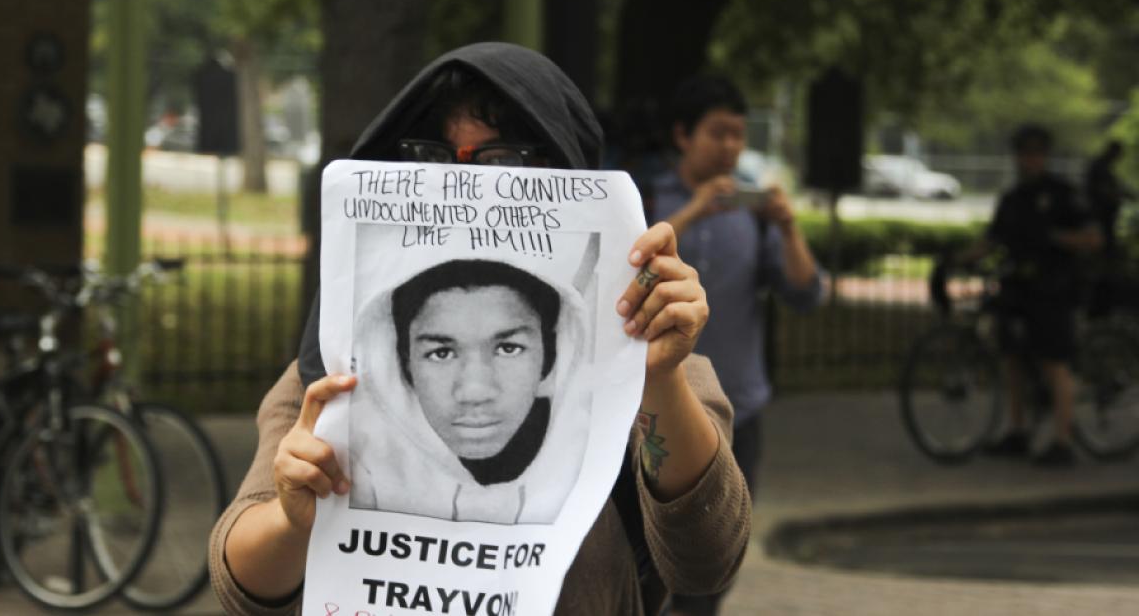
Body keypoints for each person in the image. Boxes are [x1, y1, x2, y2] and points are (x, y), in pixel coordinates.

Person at [208, 43, 751, 615]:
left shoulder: (657, 371)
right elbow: (242, 587)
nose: (462, 187)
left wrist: (656, 378)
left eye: (503, 161)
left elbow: (706, 560)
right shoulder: (329, 380)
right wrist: (291, 522)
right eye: (431, 157)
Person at [652, 75, 823, 615]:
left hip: (739, 407)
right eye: (717, 133)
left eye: (738, 135)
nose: (730, 147)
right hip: (656, 410)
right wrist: (694, 211)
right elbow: (624, 272)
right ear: (683, 135)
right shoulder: (649, 196)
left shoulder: (754, 211)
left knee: (713, 563)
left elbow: (805, 293)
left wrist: (790, 228)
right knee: (651, 560)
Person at [348, 258, 589, 524]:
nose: (475, 392)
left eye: (508, 349)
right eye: (441, 353)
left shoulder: (600, 451)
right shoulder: (352, 465)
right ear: (404, 365)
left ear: (550, 358)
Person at [966, 124, 1102, 466]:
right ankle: (1018, 431)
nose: (1030, 160)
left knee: (1054, 361)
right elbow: (992, 239)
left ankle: (1063, 441)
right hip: (1019, 288)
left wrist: (1055, 238)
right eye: (1024, 154)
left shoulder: (1063, 194)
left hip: (1055, 288)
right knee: (1013, 358)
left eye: (1036, 153)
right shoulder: (1013, 199)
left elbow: (1093, 238)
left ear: (1045, 156)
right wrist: (958, 258)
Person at [1084, 140, 1129, 316]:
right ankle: (1098, 306)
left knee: (1105, 265)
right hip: (1099, 223)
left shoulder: (1103, 168)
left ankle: (1101, 305)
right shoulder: (1099, 168)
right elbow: (1104, 192)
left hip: (1104, 222)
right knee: (1101, 267)